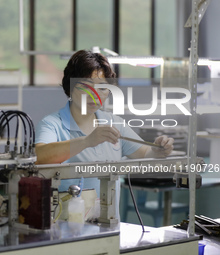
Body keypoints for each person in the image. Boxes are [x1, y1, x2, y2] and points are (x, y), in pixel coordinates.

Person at [35, 50, 174, 218]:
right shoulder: (52, 124)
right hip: (67, 228)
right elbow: (39, 156)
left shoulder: (114, 123)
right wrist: (87, 141)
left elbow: (144, 153)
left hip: (108, 225)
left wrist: (158, 150)